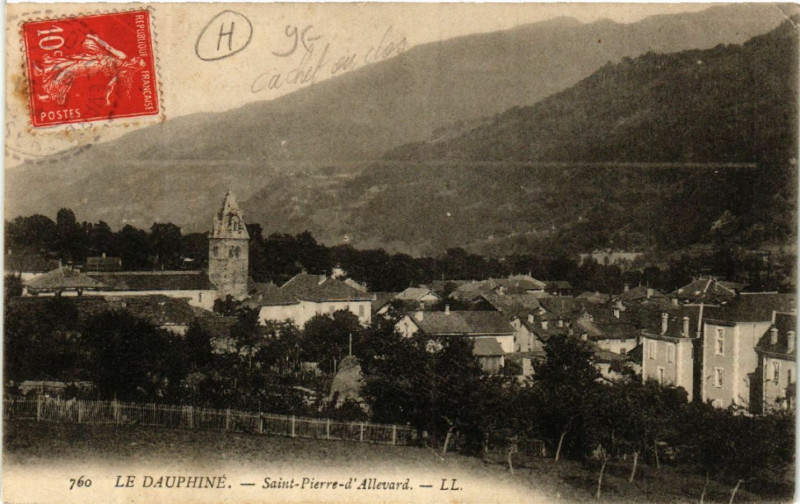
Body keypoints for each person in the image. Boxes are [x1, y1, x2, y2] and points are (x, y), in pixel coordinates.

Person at [33, 33, 145, 106]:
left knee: (68, 71)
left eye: (138, 59)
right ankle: (46, 76)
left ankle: (52, 93)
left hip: (95, 64)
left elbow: (108, 48)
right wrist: (95, 39)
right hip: (95, 58)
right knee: (69, 63)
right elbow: (111, 83)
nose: (136, 57)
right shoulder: (124, 67)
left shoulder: (123, 60)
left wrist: (107, 98)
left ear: (136, 65)